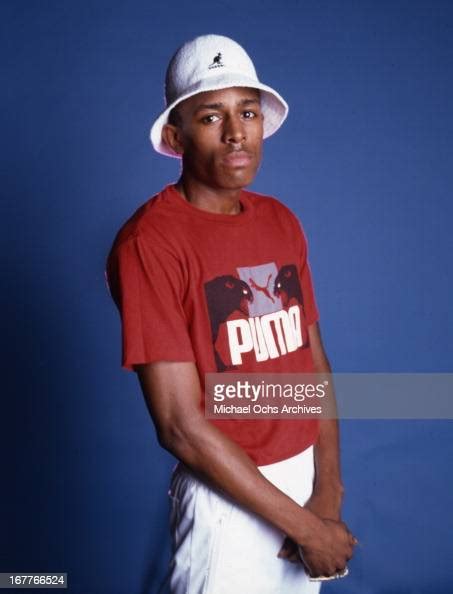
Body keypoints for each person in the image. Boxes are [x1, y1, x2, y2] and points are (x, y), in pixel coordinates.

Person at [106, 33, 357, 594]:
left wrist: (328, 492)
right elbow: (179, 426)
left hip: (304, 485)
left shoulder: (281, 221)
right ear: (176, 137)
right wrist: (305, 528)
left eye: (247, 112)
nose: (236, 131)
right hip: (228, 497)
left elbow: (311, 363)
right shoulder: (150, 242)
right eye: (210, 117)